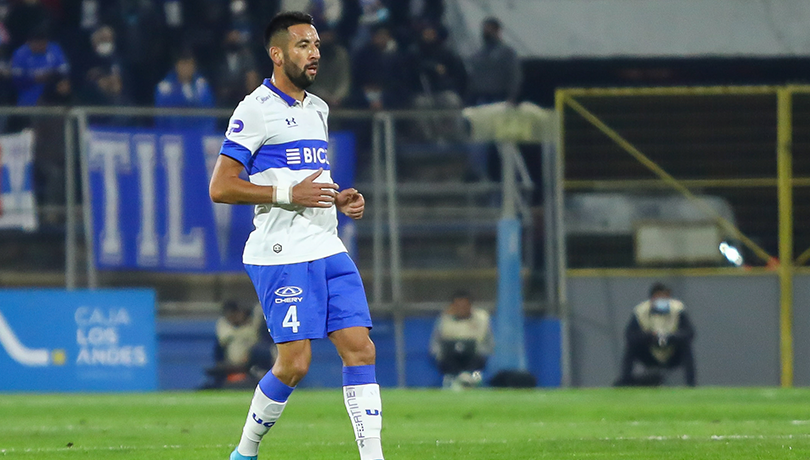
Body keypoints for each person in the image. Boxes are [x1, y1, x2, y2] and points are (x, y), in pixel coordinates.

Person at [209, 12, 383, 460]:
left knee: (361, 349)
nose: (315, 54)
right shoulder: (255, 109)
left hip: (327, 245)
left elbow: (309, 179)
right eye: (304, 45)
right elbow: (221, 186)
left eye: (317, 46)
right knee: (294, 365)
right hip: (280, 251)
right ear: (278, 53)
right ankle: (245, 452)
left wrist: (337, 198)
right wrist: (290, 191)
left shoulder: (319, 108)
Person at [615, 283, 697, 387]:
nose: (662, 300)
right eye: (659, 297)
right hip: (650, 351)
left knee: (686, 346)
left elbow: (689, 333)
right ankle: (625, 381)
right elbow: (630, 335)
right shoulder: (641, 311)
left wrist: (671, 337)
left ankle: (691, 384)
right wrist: (650, 337)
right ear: (652, 298)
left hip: (672, 351)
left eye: (665, 297)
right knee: (631, 347)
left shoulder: (678, 309)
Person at [430, 291, 493, 389]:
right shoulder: (444, 320)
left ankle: (473, 380)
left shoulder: (482, 319)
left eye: (464, 305)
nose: (461, 309)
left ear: (470, 306)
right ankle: (455, 381)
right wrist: (438, 355)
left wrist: (481, 351)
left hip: (474, 357)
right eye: (457, 306)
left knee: (477, 363)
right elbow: (435, 343)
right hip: (450, 358)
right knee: (447, 362)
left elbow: (488, 343)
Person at [204, 300, 264, 389]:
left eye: (236, 313)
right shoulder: (223, 325)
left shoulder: (252, 326)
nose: (234, 317)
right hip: (229, 362)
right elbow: (223, 339)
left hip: (251, 364)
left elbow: (255, 337)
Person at [466, 17, 521, 106]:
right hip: (479, 96)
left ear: (497, 31)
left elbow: (514, 75)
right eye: (485, 29)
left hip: (498, 96)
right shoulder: (478, 54)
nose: (486, 32)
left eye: (489, 29)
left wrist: (511, 97)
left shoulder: (506, 52)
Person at [154, 51, 215, 131]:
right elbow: (161, 117)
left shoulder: (202, 85)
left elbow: (209, 112)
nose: (186, 69)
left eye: (190, 65)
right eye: (183, 64)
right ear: (176, 66)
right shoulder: (165, 88)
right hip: (172, 133)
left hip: (199, 133)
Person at [10, 26, 70, 106]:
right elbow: (16, 79)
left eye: (43, 43)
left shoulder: (55, 49)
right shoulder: (20, 53)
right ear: (29, 42)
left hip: (52, 96)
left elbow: (64, 71)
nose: (41, 46)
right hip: (28, 98)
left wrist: (54, 77)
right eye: (37, 44)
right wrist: (34, 78)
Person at [214, 29, 261, 109]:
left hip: (243, 97)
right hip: (223, 100)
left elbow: (251, 78)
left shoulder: (247, 57)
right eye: (231, 35)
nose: (233, 38)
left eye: (236, 36)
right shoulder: (218, 57)